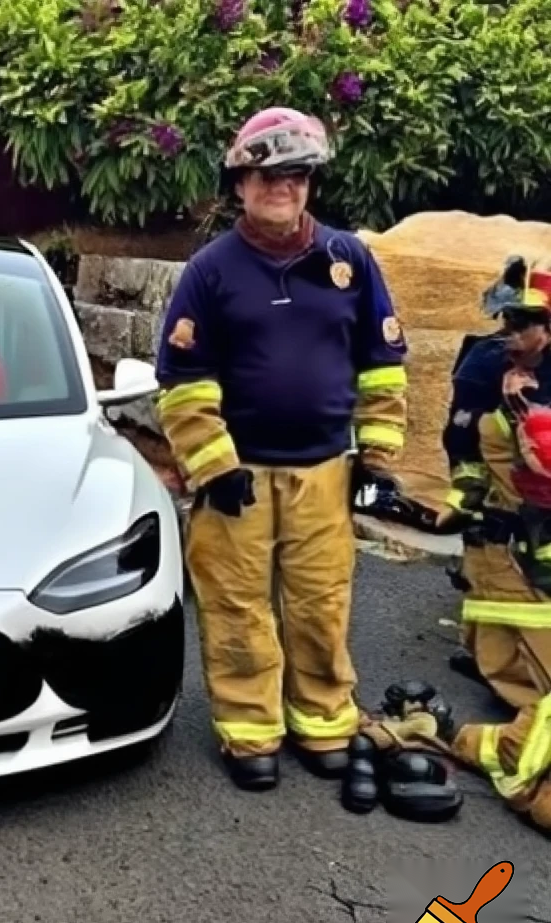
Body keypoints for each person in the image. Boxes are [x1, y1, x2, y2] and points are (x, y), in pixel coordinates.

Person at [153, 107, 409, 791]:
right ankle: (249, 733)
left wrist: (377, 463)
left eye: (296, 174)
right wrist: (214, 466)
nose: (282, 187)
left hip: (324, 472)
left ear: (310, 183)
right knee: (237, 607)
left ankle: (322, 722)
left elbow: (382, 368)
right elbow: (183, 382)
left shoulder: (349, 261)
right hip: (238, 476)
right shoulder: (210, 271)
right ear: (240, 183)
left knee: (321, 603)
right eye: (267, 176)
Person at [438, 265, 551, 831]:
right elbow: (462, 443)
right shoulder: (485, 365)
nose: (509, 333)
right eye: (506, 320)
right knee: (495, 625)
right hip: (504, 533)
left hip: (538, 535)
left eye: (523, 323)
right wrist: (465, 497)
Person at [441, 256, 529, 690]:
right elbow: (463, 434)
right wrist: (470, 491)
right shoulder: (487, 361)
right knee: (494, 564)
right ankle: (488, 656)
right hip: (504, 492)